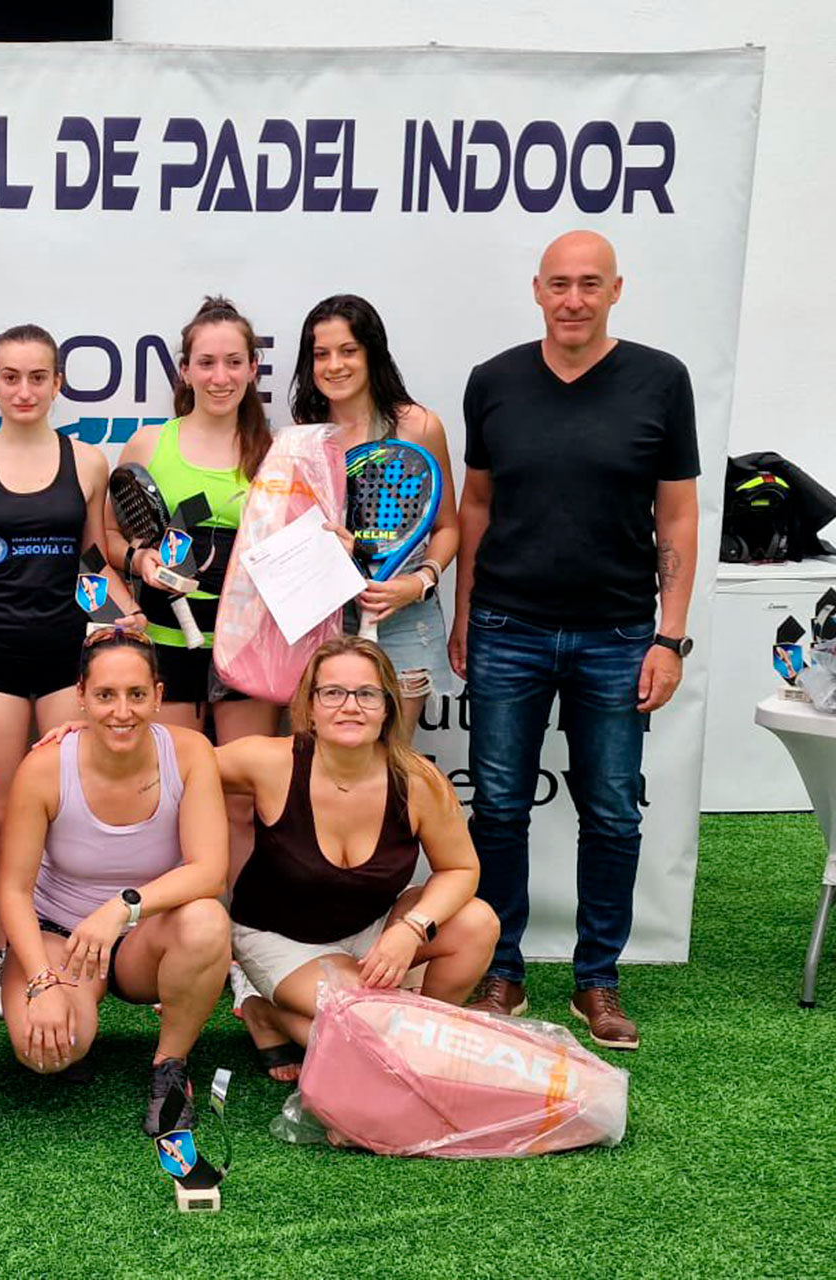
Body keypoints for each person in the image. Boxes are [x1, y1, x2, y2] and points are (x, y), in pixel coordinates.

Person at [449, 231, 699, 1050]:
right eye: (560, 284)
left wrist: (671, 637)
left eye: (590, 284)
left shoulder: (661, 381)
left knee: (614, 814)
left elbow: (678, 515)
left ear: (616, 290)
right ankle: (504, 969)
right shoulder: (493, 383)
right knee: (499, 811)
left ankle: (599, 981)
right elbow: (475, 506)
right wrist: (463, 614)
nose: (574, 300)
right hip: (505, 629)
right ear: (536, 289)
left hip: (620, 634)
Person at [0, 323, 139, 1020]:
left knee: (57, 819)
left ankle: (50, 950)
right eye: (11, 377)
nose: (24, 390)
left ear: (57, 384)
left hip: (63, 665)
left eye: (37, 377)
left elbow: (92, 568)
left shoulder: (87, 461)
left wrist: (118, 612)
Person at [217, 636, 499, 1081]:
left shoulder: (419, 781)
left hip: (371, 930)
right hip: (278, 938)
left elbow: (461, 869)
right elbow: (176, 766)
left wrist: (411, 929)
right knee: (365, 1025)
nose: (351, 706)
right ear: (309, 706)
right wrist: (84, 739)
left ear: (387, 706)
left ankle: (424, 1040)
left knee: (478, 923)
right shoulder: (269, 761)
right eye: (333, 693)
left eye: (367, 694)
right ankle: (270, 1013)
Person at [0, 630, 232, 1136]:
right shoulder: (43, 767)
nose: (121, 711)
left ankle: (170, 1066)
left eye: (136, 695)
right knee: (46, 1055)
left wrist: (122, 908)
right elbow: (13, 890)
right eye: (105, 695)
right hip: (62, 937)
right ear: (80, 696)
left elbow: (210, 871)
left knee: (208, 920)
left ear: (159, 697)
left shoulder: (190, 753)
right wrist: (42, 981)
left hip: (144, 938)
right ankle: (79, 1022)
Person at [101, 299, 276, 885]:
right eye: (206, 362)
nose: (219, 377)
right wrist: (139, 557)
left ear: (254, 368)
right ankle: (178, 925)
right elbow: (108, 535)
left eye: (233, 362)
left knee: (241, 802)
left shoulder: (276, 455)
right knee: (169, 796)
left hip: (247, 649)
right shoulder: (150, 445)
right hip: (166, 641)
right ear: (185, 370)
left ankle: (244, 945)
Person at [289, 294, 460, 728]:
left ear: (372, 353)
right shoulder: (303, 440)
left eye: (348, 351)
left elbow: (447, 528)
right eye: (321, 355)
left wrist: (418, 582)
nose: (334, 366)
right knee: (320, 771)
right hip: (321, 624)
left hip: (404, 619)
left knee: (391, 770)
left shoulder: (418, 427)